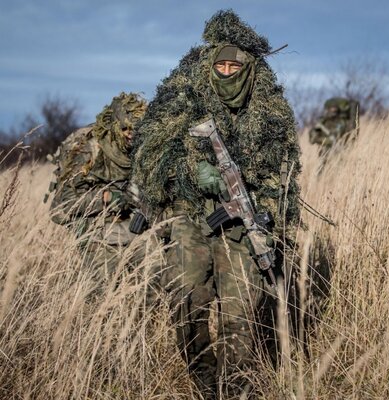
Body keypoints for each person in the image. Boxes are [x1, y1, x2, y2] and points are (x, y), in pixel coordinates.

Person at [131, 10, 301, 398]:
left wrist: (266, 211)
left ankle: (236, 386)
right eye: (220, 65)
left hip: (242, 224)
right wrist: (195, 169)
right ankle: (204, 382)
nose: (227, 73)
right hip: (189, 218)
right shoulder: (182, 98)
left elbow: (284, 173)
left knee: (240, 309)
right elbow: (152, 153)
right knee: (187, 303)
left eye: (234, 66)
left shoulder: (269, 113)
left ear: (249, 69)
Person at [47, 92, 147, 279]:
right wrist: (107, 198)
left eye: (137, 129)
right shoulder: (88, 147)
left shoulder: (143, 148)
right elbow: (61, 208)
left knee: (155, 278)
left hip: (133, 224)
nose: (131, 134)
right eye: (126, 128)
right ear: (115, 125)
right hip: (94, 227)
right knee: (104, 287)